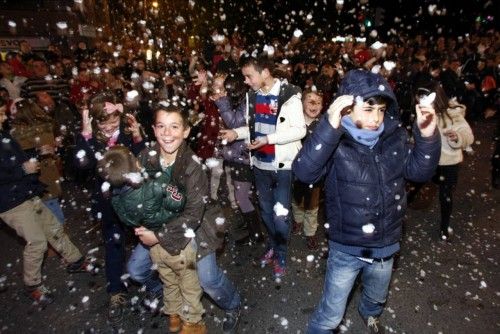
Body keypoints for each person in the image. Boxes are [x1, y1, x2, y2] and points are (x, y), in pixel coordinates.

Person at [293, 69, 441, 333]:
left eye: (381, 110)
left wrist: (427, 136)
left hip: (386, 243)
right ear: (347, 107)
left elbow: (420, 171)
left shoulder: (393, 136)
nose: (376, 118)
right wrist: (329, 128)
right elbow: (304, 172)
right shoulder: (332, 139)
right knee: (330, 315)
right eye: (368, 109)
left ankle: (370, 312)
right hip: (346, 246)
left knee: (376, 294)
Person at [134, 104, 241, 334]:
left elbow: (193, 214)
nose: (167, 133)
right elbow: (133, 195)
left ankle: (233, 305)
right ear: (153, 129)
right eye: (161, 126)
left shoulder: (193, 165)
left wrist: (159, 236)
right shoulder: (145, 157)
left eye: (174, 127)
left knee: (208, 280)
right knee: (135, 269)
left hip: (196, 228)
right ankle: (170, 297)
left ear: (186, 131)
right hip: (157, 224)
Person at [220, 56, 306, 278]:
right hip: (259, 165)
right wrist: (235, 133)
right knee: (266, 212)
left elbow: (300, 130)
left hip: (283, 167)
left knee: (281, 216)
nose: (246, 81)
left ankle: (281, 253)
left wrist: (268, 139)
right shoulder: (252, 96)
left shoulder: (289, 95)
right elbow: (252, 129)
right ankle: (274, 244)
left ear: (265, 72)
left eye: (249, 76)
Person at [0, 99, 91, 307]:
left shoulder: (3, 136)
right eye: (1, 114)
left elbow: (17, 160)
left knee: (53, 228)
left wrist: (37, 154)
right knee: (37, 242)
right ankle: (32, 285)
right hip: (10, 203)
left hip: (27, 192)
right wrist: (22, 170)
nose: (4, 118)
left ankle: (75, 260)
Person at [74, 91, 145, 323]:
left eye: (113, 121)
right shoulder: (90, 138)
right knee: (114, 245)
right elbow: (80, 165)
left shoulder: (125, 132)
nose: (109, 127)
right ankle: (117, 290)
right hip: (107, 203)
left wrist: (137, 137)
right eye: (104, 123)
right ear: (95, 122)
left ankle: (150, 280)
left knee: (143, 239)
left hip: (132, 197)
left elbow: (140, 157)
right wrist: (85, 136)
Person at [416, 82, 474, 240]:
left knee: (445, 195)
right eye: (419, 98)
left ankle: (444, 226)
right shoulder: (421, 113)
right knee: (413, 187)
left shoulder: (452, 114)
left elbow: (468, 136)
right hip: (428, 161)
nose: (421, 102)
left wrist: (457, 137)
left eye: (424, 98)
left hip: (448, 162)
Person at [212, 72, 263, 244]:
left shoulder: (245, 102)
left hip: (243, 156)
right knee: (243, 195)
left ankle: (256, 233)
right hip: (236, 155)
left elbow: (235, 124)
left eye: (224, 88)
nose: (220, 92)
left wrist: (222, 103)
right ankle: (252, 225)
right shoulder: (235, 101)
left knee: (242, 196)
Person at [291, 89, 324, 250]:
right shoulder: (294, 122)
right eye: (310, 101)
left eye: (318, 102)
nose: (314, 105)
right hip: (296, 170)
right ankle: (297, 220)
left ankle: (310, 232)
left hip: (315, 173)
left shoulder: (323, 125)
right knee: (297, 198)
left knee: (312, 203)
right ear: (301, 104)